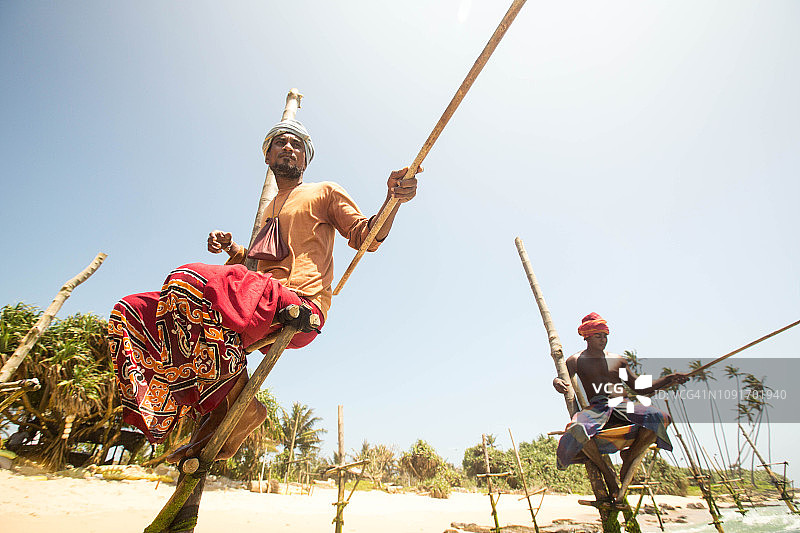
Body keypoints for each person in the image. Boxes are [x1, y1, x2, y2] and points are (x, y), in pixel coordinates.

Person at [108, 118, 419, 465]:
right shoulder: (269, 208)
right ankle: (233, 405)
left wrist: (393, 201)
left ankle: (231, 402)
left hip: (299, 304)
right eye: (281, 143)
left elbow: (366, 237)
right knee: (133, 311)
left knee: (187, 279)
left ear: (305, 159)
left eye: (297, 145)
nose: (289, 148)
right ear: (268, 155)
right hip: (256, 301)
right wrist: (233, 249)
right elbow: (258, 266)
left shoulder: (324, 191)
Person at [552, 312, 688, 503]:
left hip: (624, 405)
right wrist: (556, 382)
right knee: (576, 429)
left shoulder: (618, 360)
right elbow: (562, 378)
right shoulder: (575, 360)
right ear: (587, 337)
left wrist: (668, 379)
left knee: (662, 418)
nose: (603, 339)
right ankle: (608, 473)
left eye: (605, 335)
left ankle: (627, 461)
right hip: (598, 408)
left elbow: (639, 386)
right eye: (598, 335)